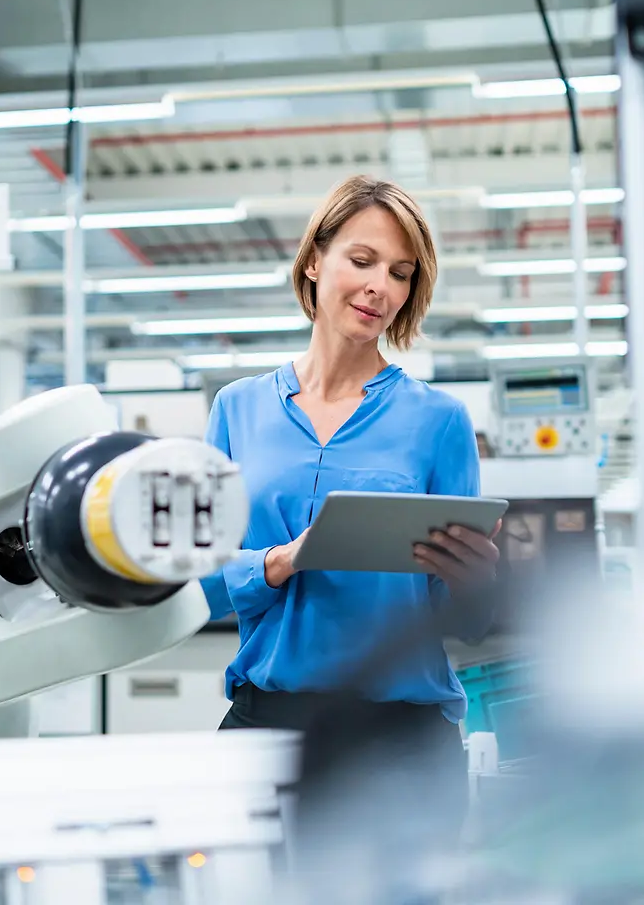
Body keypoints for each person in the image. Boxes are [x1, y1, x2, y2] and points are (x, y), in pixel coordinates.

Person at [198, 174, 502, 748]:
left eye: (400, 273)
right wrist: (276, 562)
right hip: (267, 723)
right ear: (315, 260)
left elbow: (466, 622)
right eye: (362, 260)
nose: (379, 287)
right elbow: (196, 585)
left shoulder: (440, 421)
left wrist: (476, 583)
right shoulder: (237, 410)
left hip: (401, 736)